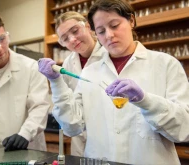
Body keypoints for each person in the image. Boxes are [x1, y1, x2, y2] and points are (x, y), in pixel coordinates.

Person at [38, 0, 189, 164]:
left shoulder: (166, 64)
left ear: (131, 21)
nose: (109, 35)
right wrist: (56, 83)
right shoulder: (90, 72)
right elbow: (72, 127)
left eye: (115, 25)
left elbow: (183, 129)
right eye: (101, 31)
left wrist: (146, 101)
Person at [0, 9, 50, 151]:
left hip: (28, 149)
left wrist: (25, 134)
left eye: (1, 39)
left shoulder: (31, 68)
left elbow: (39, 107)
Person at [41, 11, 107, 156]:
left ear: (88, 26)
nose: (72, 39)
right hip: (79, 137)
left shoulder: (109, 53)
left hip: (108, 134)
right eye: (65, 38)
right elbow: (67, 99)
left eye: (75, 31)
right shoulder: (68, 63)